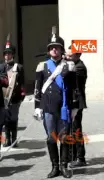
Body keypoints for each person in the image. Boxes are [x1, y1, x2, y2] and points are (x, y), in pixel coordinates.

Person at [34, 26, 79, 178]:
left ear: (61, 50)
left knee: (64, 138)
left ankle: (64, 166)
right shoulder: (42, 66)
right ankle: (55, 167)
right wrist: (37, 107)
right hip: (48, 108)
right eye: (51, 48)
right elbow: (37, 88)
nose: (54, 50)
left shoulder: (69, 65)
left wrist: (74, 107)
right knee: (51, 138)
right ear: (48, 51)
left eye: (57, 48)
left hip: (64, 108)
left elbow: (74, 88)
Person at [2, 35, 26, 148]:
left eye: (9, 53)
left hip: (15, 97)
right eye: (5, 54)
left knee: (14, 118)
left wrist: (22, 96)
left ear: (13, 54)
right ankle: (7, 138)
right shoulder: (1, 67)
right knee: (6, 119)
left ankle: (14, 139)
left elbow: (22, 83)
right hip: (4, 98)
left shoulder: (19, 67)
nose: (7, 56)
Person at [66, 45, 87, 167]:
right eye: (67, 55)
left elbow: (70, 79)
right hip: (71, 102)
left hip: (77, 103)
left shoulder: (79, 68)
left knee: (76, 130)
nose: (68, 58)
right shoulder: (74, 65)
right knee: (71, 130)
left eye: (70, 56)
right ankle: (72, 156)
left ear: (78, 55)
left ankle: (80, 158)